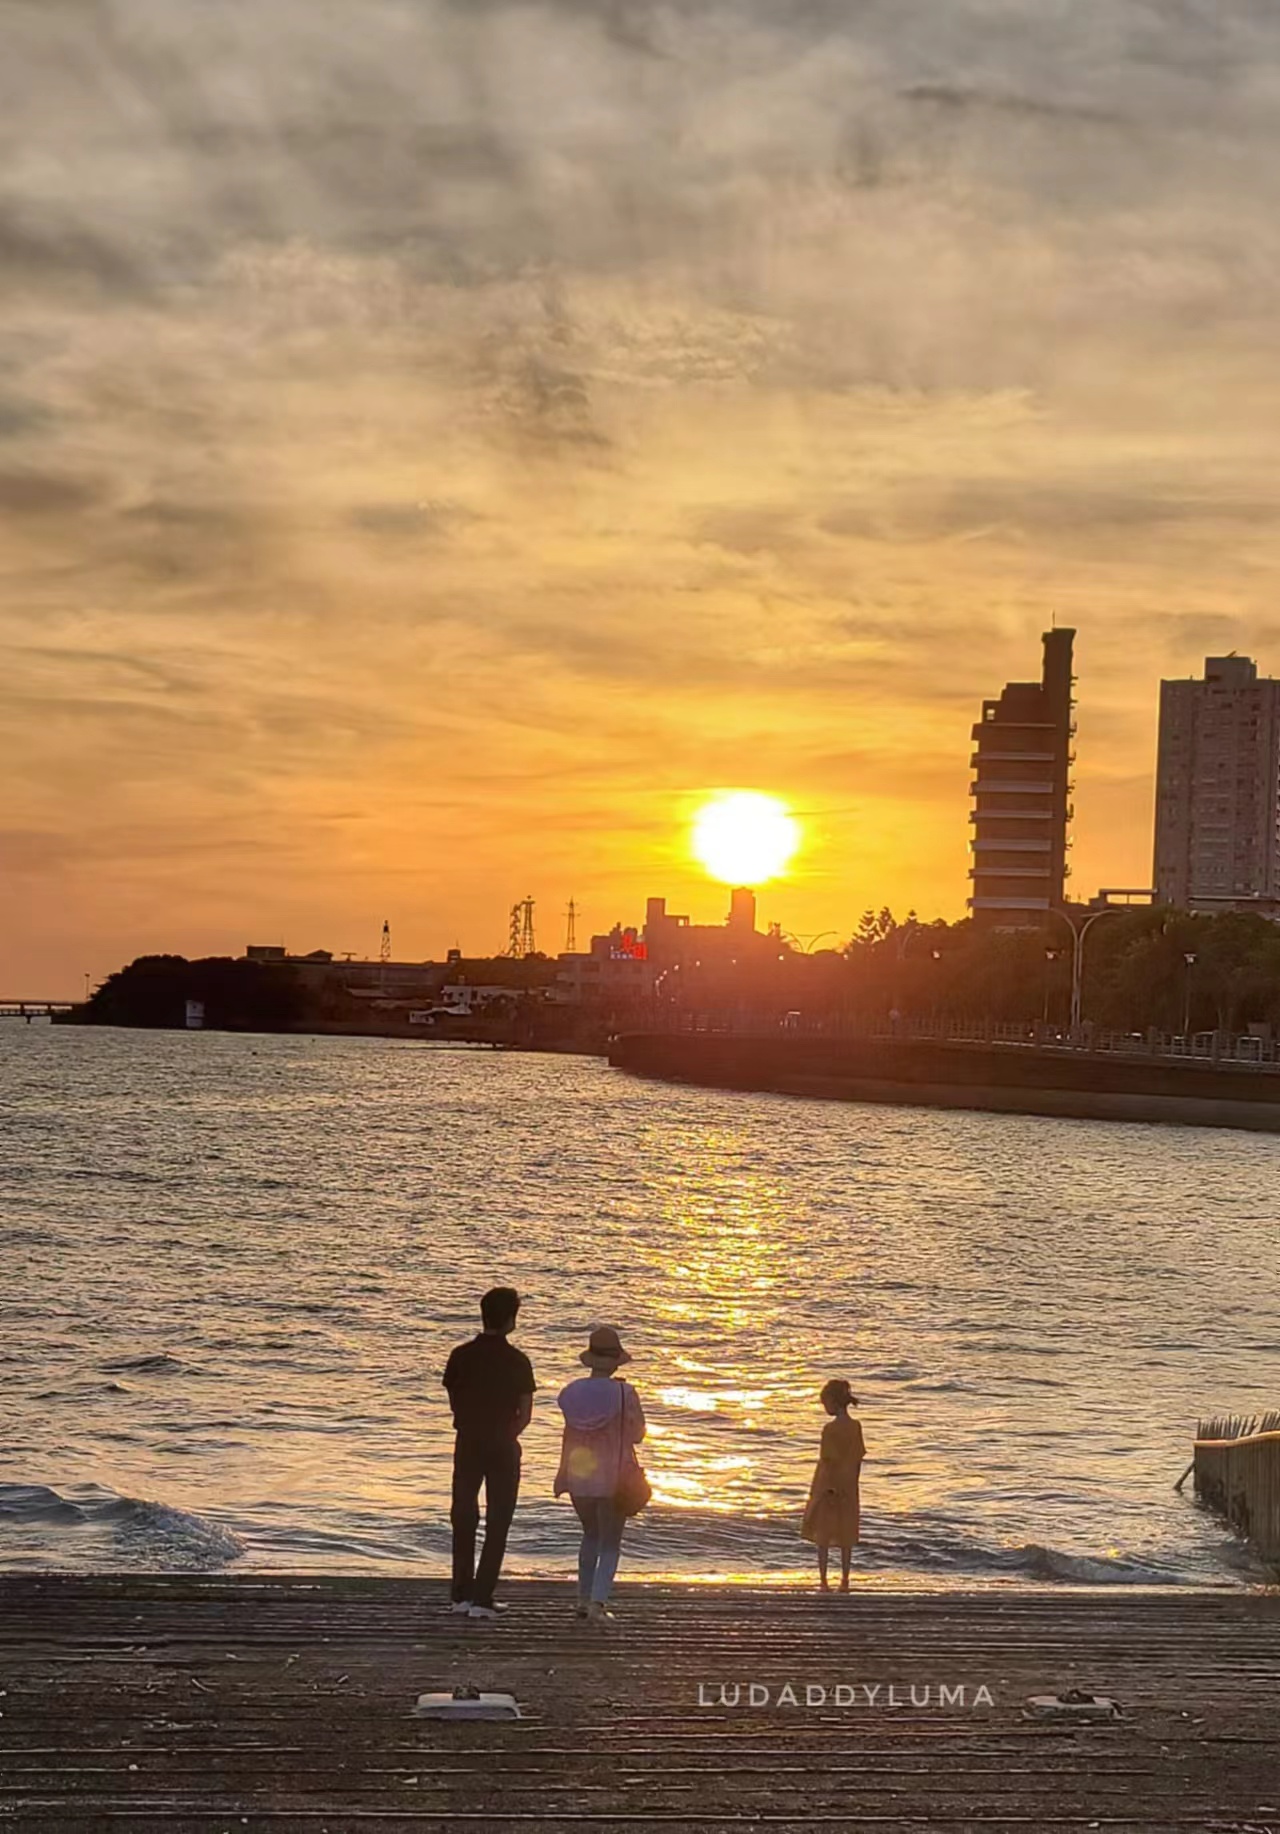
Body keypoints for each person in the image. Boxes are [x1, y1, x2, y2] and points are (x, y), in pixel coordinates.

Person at [442, 1286, 536, 1621]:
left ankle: (460, 1595)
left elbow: (454, 1400)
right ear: (512, 1319)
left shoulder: (460, 1355)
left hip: (467, 1440)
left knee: (463, 1515)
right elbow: (525, 1413)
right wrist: (507, 1435)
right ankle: (483, 1598)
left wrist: (471, 1424)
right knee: (499, 1520)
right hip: (502, 1444)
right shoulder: (518, 1361)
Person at [554, 1326, 645, 1621]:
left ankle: (582, 1599)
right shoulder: (624, 1392)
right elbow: (637, 1435)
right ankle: (598, 1603)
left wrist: (562, 1473)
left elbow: (567, 1436)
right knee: (610, 1541)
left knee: (589, 1535)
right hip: (614, 1477)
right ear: (616, 1361)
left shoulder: (571, 1393)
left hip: (579, 1475)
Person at [801, 1378, 865, 1592]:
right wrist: (851, 1483)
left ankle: (824, 1581)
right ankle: (845, 1580)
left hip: (828, 1485)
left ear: (833, 1402)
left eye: (825, 1403)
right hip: (848, 1485)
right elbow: (858, 1457)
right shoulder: (856, 1426)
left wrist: (825, 1487)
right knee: (846, 1533)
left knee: (824, 1534)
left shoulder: (830, 1429)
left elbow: (828, 1460)